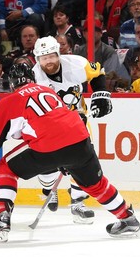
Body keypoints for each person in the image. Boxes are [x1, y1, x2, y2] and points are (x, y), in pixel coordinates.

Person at [0, 63, 140, 242]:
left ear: (11, 84)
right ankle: (127, 218)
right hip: (80, 140)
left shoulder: (9, 101)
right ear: (33, 79)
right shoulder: (47, 91)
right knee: (95, 184)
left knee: (7, 167)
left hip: (47, 146)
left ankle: (1, 220)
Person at [32, 36, 113, 223]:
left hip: (78, 122)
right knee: (47, 168)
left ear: (58, 54)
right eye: (43, 58)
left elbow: (98, 72)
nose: (48, 61)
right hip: (48, 126)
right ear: (37, 59)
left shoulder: (76, 64)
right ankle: (47, 189)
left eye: (51, 56)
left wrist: (101, 96)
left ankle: (78, 202)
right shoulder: (34, 78)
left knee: (83, 161)